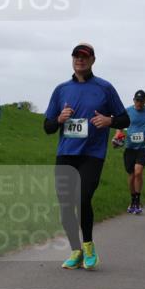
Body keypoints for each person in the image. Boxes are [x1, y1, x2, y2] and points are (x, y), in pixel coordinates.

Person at [44, 43, 129, 270]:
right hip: (66, 154)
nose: (79, 60)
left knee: (82, 199)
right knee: (65, 205)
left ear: (92, 60)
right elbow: (47, 126)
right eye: (76, 56)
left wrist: (110, 121)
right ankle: (76, 250)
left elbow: (124, 120)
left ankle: (89, 245)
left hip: (92, 154)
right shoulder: (61, 90)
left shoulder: (104, 88)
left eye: (84, 57)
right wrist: (59, 119)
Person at [123, 90, 145, 214]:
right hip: (130, 147)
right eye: (137, 100)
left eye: (141, 101)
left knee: (138, 172)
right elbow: (120, 125)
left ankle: (137, 200)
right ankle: (132, 201)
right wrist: (118, 134)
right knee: (131, 175)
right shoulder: (128, 111)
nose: (139, 103)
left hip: (143, 147)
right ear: (133, 100)